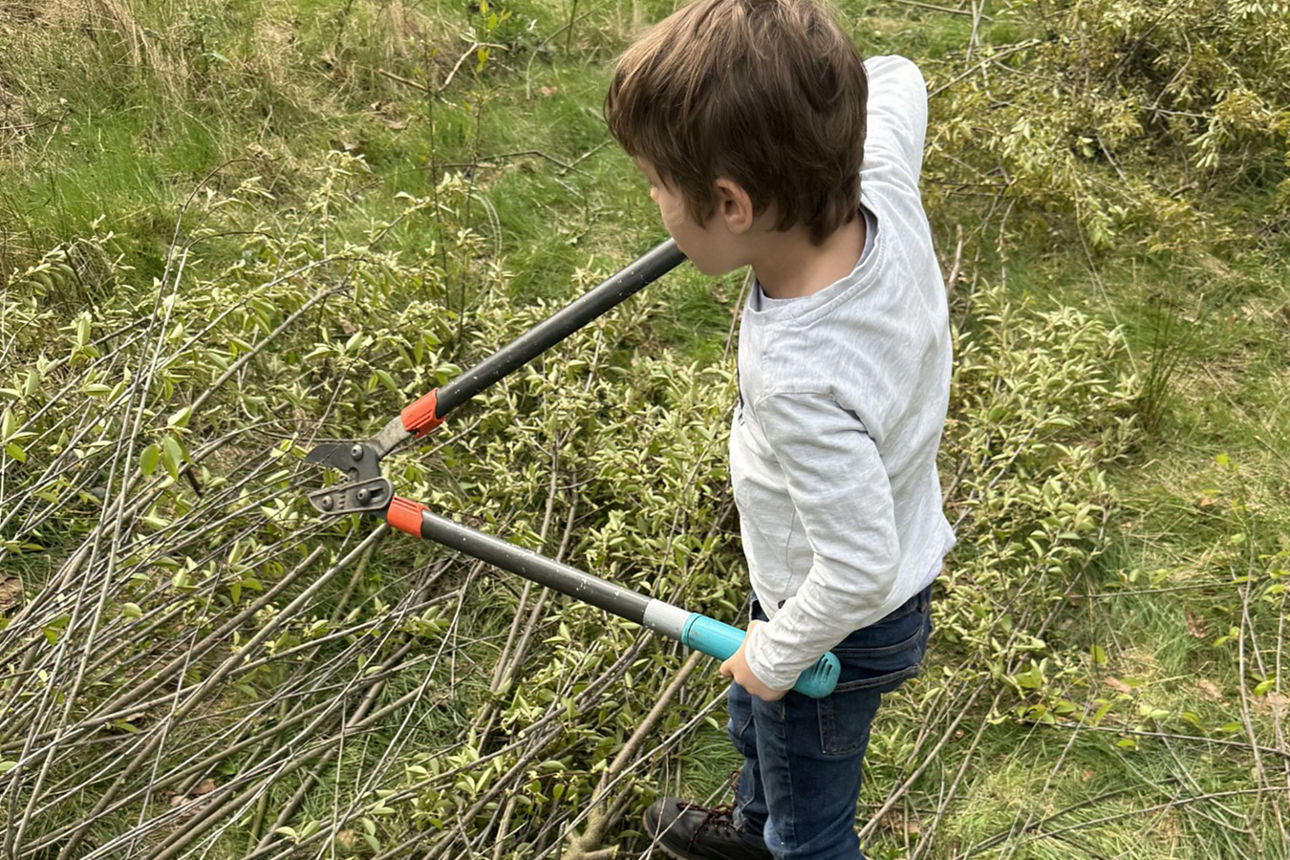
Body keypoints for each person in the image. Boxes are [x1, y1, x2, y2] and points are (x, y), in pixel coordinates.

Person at [603, 1, 954, 858]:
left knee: (813, 823)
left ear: (729, 203)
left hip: (840, 623)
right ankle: (753, 828)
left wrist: (778, 654)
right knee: (762, 736)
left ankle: (779, 841)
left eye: (654, 184)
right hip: (822, 581)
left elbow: (860, 569)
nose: (653, 202)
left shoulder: (801, 374)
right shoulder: (875, 175)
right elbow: (899, 76)